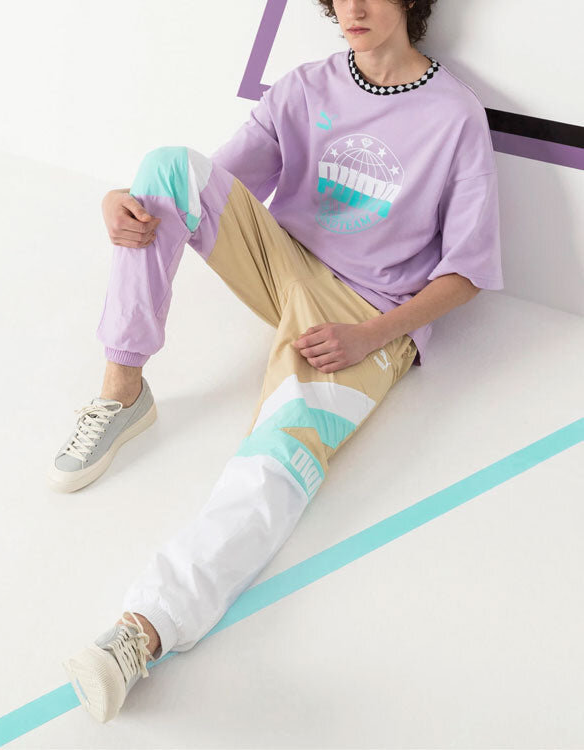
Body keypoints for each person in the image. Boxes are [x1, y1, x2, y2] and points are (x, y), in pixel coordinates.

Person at [54, 0, 504, 724]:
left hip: (364, 315)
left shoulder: (455, 117)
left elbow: (468, 271)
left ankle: (144, 630)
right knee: (166, 169)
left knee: (275, 463)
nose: (353, 8)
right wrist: (127, 201)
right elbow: (205, 184)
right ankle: (123, 390)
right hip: (283, 265)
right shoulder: (305, 86)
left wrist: (374, 336)